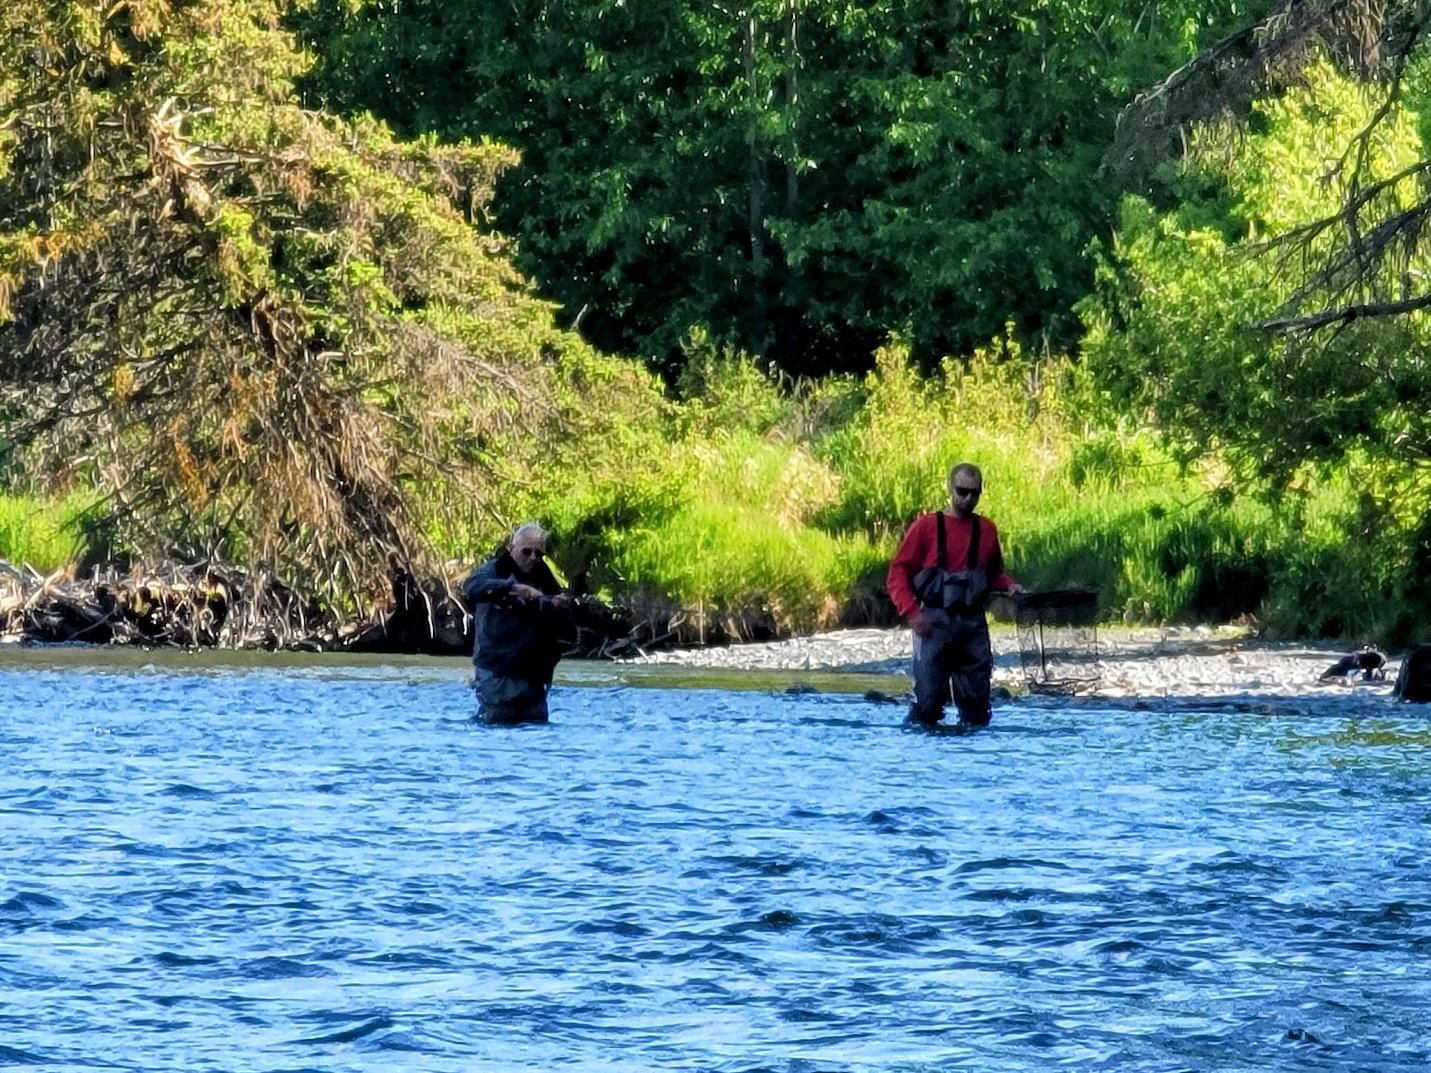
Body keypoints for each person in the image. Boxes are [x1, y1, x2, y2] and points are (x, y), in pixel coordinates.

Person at [886, 463, 1022, 729]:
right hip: (933, 624)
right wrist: (913, 613)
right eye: (962, 492)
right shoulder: (925, 527)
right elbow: (897, 573)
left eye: (974, 493)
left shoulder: (987, 530)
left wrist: (1010, 586)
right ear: (950, 488)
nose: (968, 498)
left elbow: (993, 573)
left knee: (977, 710)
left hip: (972, 625)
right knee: (928, 705)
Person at [461, 522, 571, 725]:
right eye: (526, 552)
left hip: (533, 678)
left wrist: (556, 605)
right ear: (511, 549)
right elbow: (471, 587)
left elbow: (559, 615)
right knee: (498, 725)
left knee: (536, 730)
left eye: (538, 554)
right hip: (497, 672)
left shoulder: (543, 575)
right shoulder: (493, 571)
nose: (532, 558)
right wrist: (512, 588)